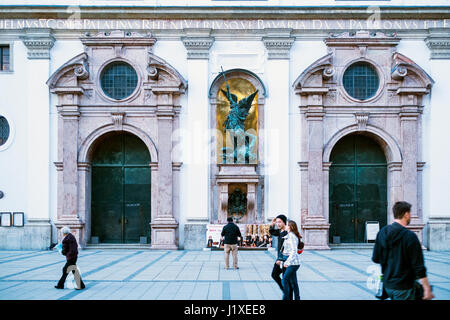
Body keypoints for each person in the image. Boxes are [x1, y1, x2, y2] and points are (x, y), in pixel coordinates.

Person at [372, 201, 434, 300]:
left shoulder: (382, 232)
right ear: (406, 214)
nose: (410, 216)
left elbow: (376, 258)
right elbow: (419, 266)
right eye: (410, 213)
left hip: (388, 285)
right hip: (403, 287)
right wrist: (427, 288)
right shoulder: (410, 236)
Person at [280, 220, 302, 300]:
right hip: (293, 263)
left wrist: (287, 262)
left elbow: (294, 251)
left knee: (284, 280)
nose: (285, 226)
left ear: (290, 227)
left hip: (293, 263)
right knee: (294, 282)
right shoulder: (290, 235)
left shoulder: (292, 236)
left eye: (287, 225)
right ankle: (297, 298)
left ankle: (286, 298)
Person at [269, 214, 289, 293]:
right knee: (274, 275)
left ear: (284, 222)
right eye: (277, 222)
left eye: (280, 222)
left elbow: (286, 248)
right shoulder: (279, 231)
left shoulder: (287, 232)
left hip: (284, 259)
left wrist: (281, 259)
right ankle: (284, 289)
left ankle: (287, 293)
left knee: (286, 278)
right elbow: (271, 231)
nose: (278, 224)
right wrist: (272, 224)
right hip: (280, 258)